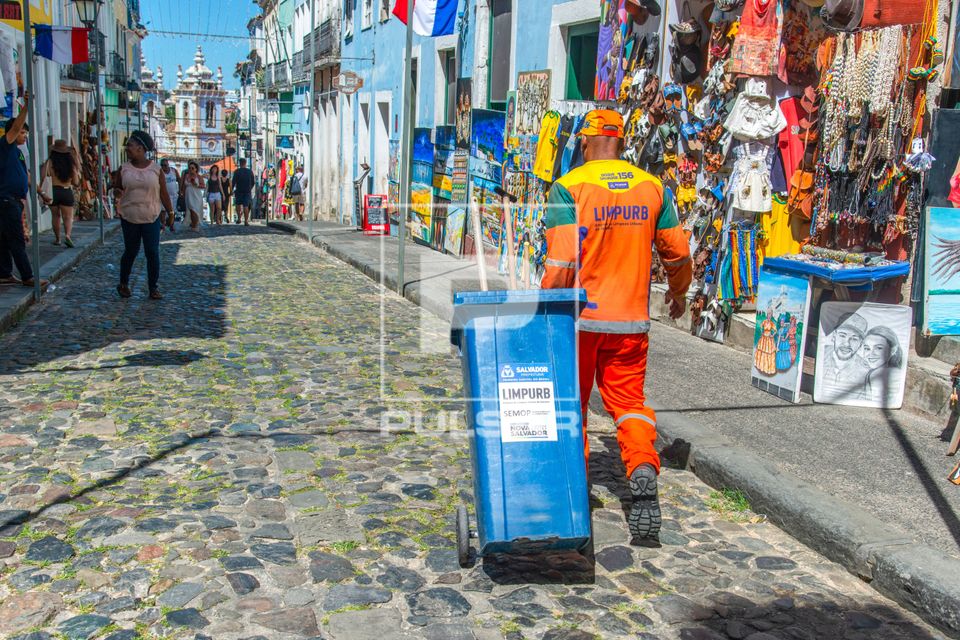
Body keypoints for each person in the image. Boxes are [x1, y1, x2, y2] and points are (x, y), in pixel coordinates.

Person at [541, 109, 691, 544]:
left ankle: (574, 487)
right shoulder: (653, 188)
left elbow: (562, 263)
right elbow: (678, 252)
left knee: (571, 404)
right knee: (628, 403)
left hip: (579, 320)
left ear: (584, 142)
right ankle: (642, 463)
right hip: (630, 322)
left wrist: (545, 306)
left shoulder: (568, 188)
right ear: (622, 142)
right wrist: (678, 293)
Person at [111, 130, 173, 300]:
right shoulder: (123, 169)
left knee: (152, 252)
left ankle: (153, 287)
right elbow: (117, 188)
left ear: (140, 148)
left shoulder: (155, 169)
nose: (127, 148)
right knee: (130, 251)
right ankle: (123, 283)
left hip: (151, 217)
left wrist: (170, 212)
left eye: (129, 145)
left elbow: (164, 193)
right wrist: (116, 192)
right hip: (129, 217)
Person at [0, 92, 46, 288]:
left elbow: (25, 176)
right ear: (11, 133)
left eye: (26, 134)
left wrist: (41, 192)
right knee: (17, 239)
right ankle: (28, 276)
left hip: (14, 201)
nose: (24, 135)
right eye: (22, 133)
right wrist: (26, 107)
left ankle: (4, 273)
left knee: (3, 239)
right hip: (6, 200)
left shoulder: (17, 153)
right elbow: (16, 125)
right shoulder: (5, 146)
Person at [39, 139, 81, 247]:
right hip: (66, 191)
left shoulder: (48, 163)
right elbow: (76, 182)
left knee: (55, 216)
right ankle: (67, 235)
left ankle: (57, 239)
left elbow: (43, 178)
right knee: (68, 217)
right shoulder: (70, 164)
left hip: (53, 191)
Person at [820, 312, 869, 390]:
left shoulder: (865, 372)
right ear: (834, 336)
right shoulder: (820, 354)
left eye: (854, 339)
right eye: (842, 335)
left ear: (860, 343)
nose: (847, 344)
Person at [860, 326, 904, 401]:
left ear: (893, 350)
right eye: (867, 348)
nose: (871, 354)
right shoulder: (873, 372)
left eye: (878, 348)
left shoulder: (879, 373)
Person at [182, 161, 204, 232]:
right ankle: (194, 224)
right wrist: (182, 192)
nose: (191, 169)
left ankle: (195, 224)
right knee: (191, 209)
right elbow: (184, 184)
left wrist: (196, 184)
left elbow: (203, 186)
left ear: (196, 169)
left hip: (197, 195)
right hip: (189, 194)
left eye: (192, 168)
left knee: (196, 210)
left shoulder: (199, 177)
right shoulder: (186, 176)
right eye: (189, 168)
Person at [232, 158, 255, 225]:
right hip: (247, 191)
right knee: (246, 206)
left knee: (238, 205)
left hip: (239, 190)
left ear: (239, 163)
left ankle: (239, 218)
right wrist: (249, 188)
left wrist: (231, 190)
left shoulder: (237, 171)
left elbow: (233, 182)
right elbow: (253, 182)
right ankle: (246, 221)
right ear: (245, 163)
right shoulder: (250, 171)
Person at [160, 158, 180, 232]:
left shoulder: (173, 171)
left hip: (174, 195)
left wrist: (180, 190)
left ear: (168, 164)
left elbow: (179, 179)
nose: (163, 167)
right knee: (163, 211)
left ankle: (171, 225)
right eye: (162, 165)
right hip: (164, 195)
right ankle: (163, 225)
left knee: (172, 211)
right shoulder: (160, 172)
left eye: (165, 165)